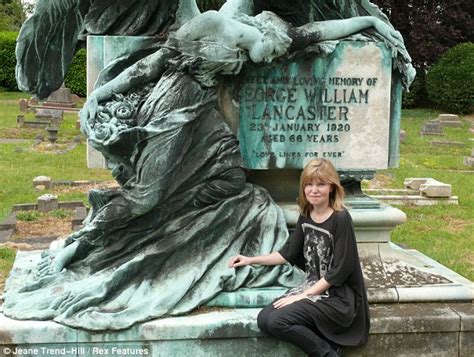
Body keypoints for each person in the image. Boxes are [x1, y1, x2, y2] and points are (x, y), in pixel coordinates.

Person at [228, 158, 369, 356]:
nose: (314, 190)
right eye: (309, 184)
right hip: (312, 288)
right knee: (265, 319)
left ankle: (327, 354)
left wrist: (304, 295)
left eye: (321, 184)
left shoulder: (340, 218)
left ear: (332, 187)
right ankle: (328, 346)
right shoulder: (306, 214)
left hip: (337, 297)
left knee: (278, 321)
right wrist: (250, 260)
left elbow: (340, 270)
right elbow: (288, 254)